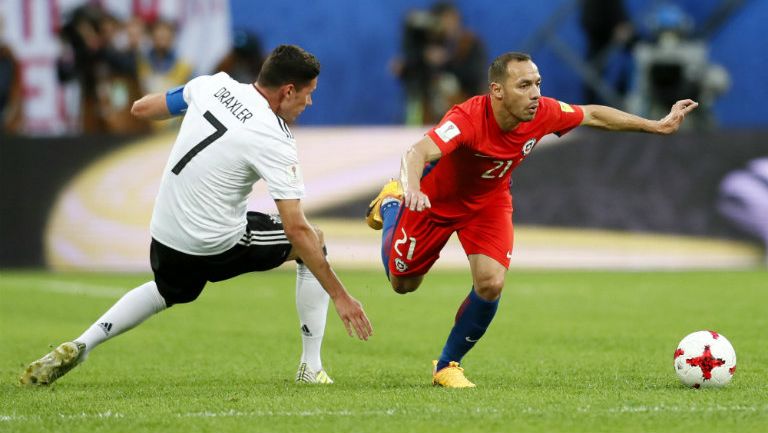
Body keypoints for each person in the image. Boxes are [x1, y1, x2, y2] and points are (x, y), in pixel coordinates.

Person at [20, 44, 373, 387]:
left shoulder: (212, 85)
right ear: (287, 91)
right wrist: (342, 296)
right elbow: (296, 228)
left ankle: (84, 344)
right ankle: (311, 368)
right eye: (308, 94)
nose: (308, 103)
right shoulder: (273, 137)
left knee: (168, 290)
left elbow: (142, 109)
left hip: (164, 234)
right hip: (214, 244)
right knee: (314, 240)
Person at [366, 51, 697, 388]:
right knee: (403, 283)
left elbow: (593, 114)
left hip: (488, 203)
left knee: (491, 283)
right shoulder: (467, 118)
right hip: (434, 203)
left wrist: (655, 125)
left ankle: (448, 364)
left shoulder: (542, 112)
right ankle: (391, 204)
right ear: (497, 90)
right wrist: (410, 189)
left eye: (537, 83)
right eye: (523, 85)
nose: (535, 93)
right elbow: (416, 152)